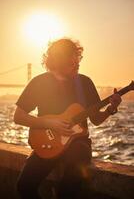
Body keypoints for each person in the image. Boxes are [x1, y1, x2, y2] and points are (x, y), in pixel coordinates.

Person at [14, 38, 121, 199]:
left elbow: (96, 119)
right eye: (71, 61)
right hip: (48, 143)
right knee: (24, 186)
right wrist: (50, 123)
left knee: (70, 184)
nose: (77, 63)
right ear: (57, 61)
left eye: (77, 59)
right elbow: (18, 117)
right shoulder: (39, 82)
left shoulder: (84, 83)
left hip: (77, 143)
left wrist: (111, 108)